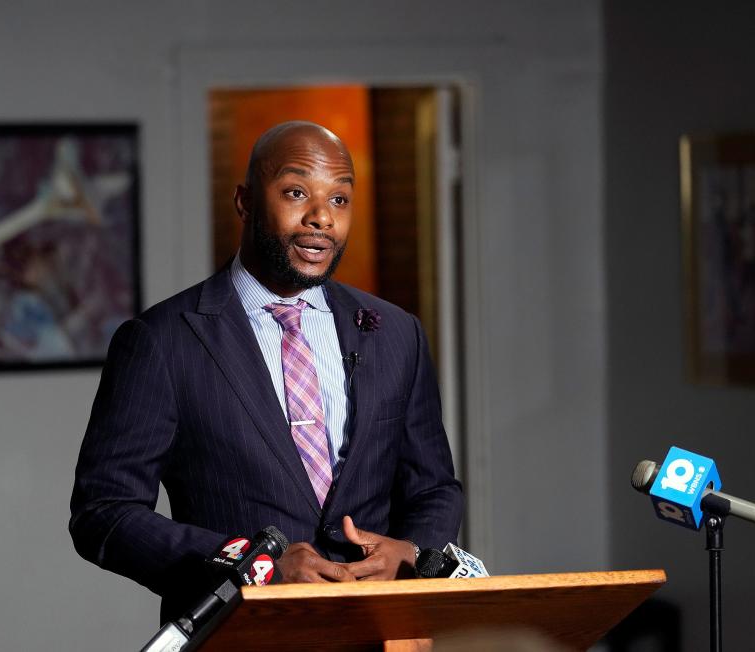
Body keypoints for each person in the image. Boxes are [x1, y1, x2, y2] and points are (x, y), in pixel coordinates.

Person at [69, 121, 463, 622]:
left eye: (340, 200)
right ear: (245, 201)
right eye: (296, 193)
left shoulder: (396, 334)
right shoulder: (162, 341)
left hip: (380, 630)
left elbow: (434, 489)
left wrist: (409, 550)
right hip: (240, 633)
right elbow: (103, 514)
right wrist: (256, 565)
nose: (321, 217)